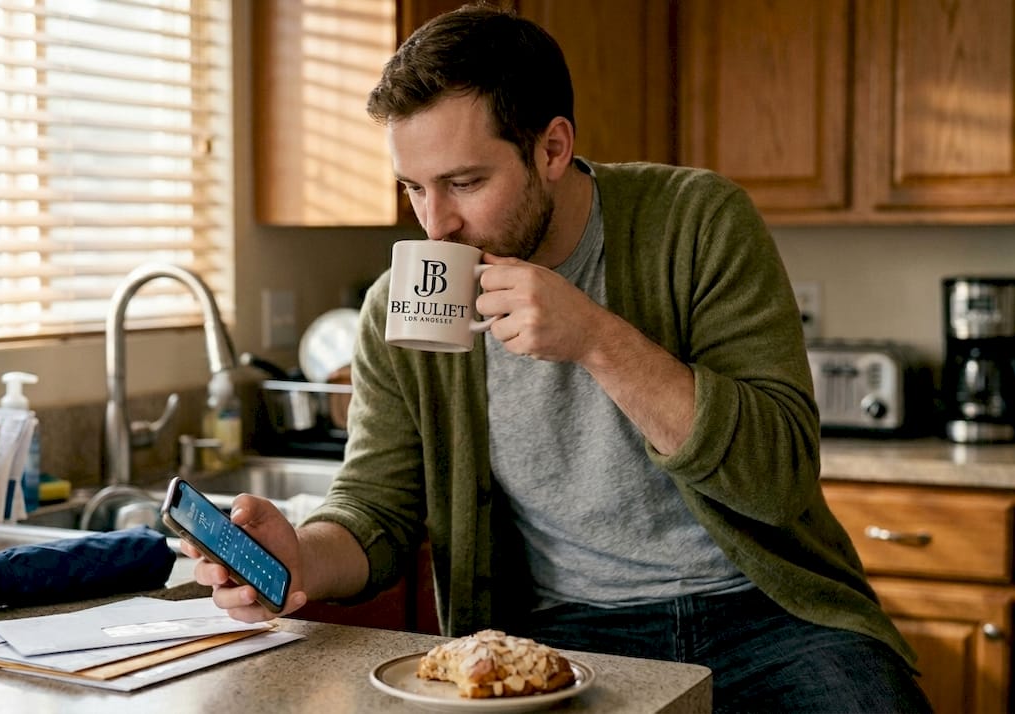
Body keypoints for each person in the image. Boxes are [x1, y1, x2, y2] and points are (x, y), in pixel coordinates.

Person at [188, 5, 932, 712]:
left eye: (466, 182)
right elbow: (377, 507)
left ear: (552, 147)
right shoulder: (400, 304)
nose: (436, 222)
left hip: (771, 612)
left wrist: (598, 340)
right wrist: (299, 559)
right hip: (563, 632)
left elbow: (778, 478)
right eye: (413, 187)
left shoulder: (699, 221)